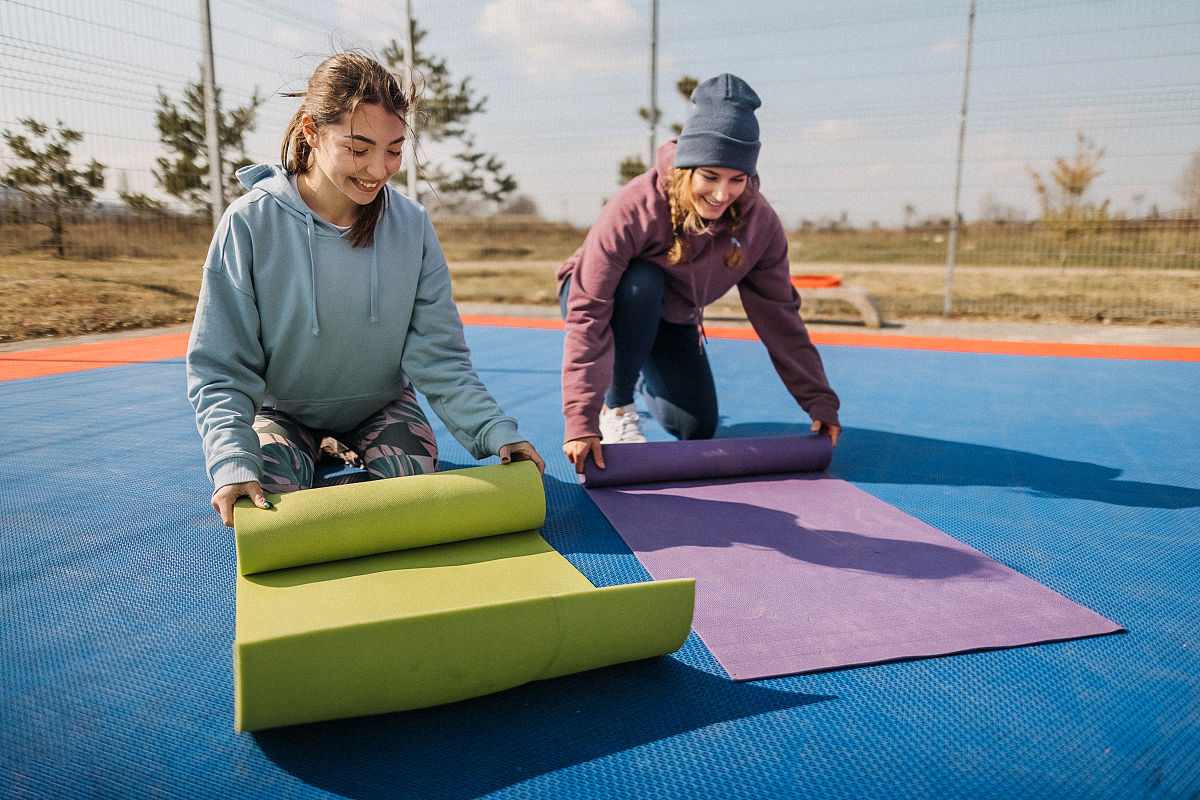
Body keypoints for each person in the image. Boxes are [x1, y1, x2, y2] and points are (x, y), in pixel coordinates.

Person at [187, 52, 544, 527]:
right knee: (268, 505)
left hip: (379, 406)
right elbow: (220, 363)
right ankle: (311, 449)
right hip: (285, 411)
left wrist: (494, 431)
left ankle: (332, 454)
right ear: (312, 133)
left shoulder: (411, 225)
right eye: (359, 148)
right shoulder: (250, 223)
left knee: (410, 478)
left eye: (394, 149)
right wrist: (231, 457)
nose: (379, 169)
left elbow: (439, 355)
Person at [559, 73, 840, 474]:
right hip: (604, 297)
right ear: (686, 169)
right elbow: (588, 311)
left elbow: (781, 316)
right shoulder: (634, 205)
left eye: (737, 179)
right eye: (710, 176)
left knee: (696, 427)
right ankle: (617, 403)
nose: (723, 194)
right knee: (642, 282)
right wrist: (581, 419)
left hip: (671, 316)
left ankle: (635, 368)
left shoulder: (760, 224)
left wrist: (819, 401)